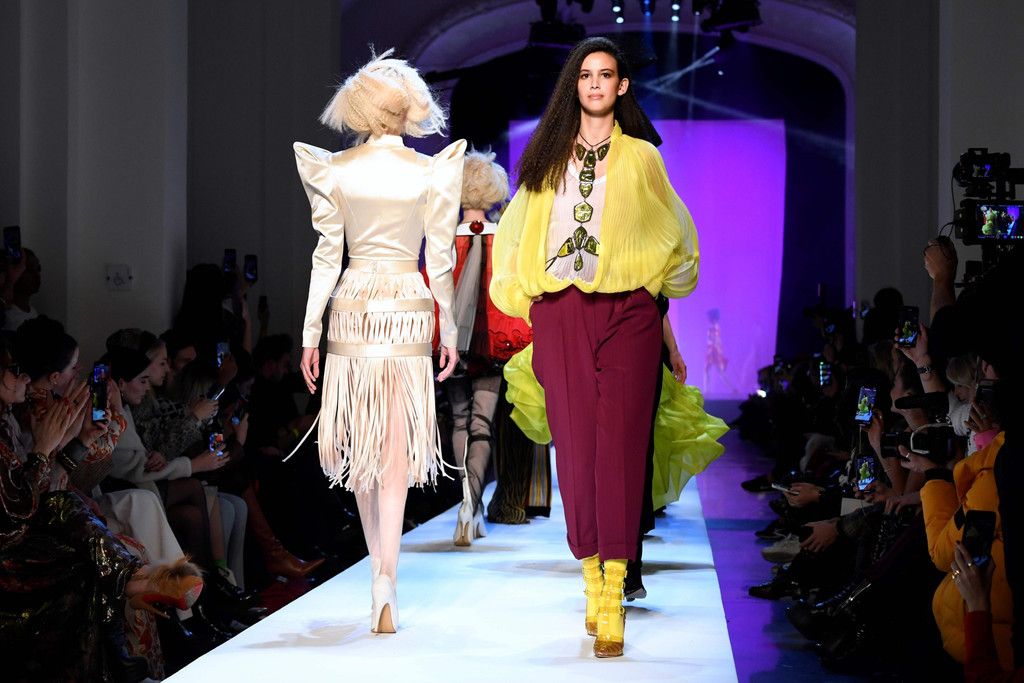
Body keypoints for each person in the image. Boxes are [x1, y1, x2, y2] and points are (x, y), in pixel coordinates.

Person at [490, 36, 707, 658]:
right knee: (577, 444)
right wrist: (528, 298)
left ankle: (613, 588)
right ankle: (590, 574)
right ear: (574, 84)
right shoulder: (545, 157)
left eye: (605, 74)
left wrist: (653, 285)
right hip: (561, 310)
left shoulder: (641, 157)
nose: (594, 83)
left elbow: (674, 230)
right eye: (585, 74)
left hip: (629, 312)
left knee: (622, 445)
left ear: (622, 86)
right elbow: (517, 233)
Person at [293, 48, 465, 633]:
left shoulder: (334, 169)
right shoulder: (431, 170)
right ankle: (387, 577)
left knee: (365, 446)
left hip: (353, 307)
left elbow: (325, 256)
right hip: (409, 305)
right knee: (393, 447)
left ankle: (377, 574)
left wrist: (310, 332)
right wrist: (450, 327)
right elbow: (439, 260)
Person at [443, 149, 533, 545]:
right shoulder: (505, 239)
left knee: (460, 421)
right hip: (495, 338)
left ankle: (466, 504)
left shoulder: (444, 240)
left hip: (452, 341)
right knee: (482, 424)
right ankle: (472, 506)